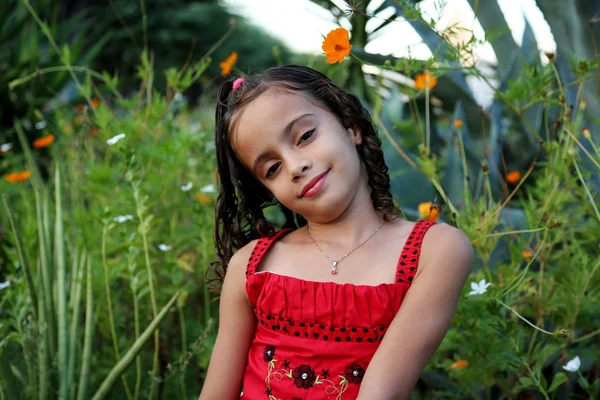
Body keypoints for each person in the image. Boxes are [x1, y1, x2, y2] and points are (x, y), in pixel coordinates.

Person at [198, 65, 474, 400]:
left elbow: (381, 394)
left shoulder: (433, 252)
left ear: (350, 126)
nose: (296, 165)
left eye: (305, 136)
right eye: (272, 168)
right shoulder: (252, 265)